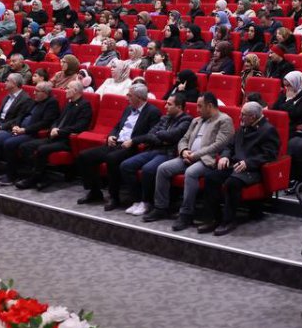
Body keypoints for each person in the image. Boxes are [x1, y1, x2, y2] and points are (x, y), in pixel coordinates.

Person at [143, 92, 234, 231]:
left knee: (191, 173)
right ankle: (160, 207)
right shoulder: (196, 120)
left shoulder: (224, 120)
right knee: (163, 168)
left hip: (207, 160)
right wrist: (183, 150)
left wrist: (195, 155)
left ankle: (186, 214)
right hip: (187, 156)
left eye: (200, 106)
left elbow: (218, 145)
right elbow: (183, 139)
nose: (196, 110)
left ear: (210, 106)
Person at [198, 101, 280, 236]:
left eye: (243, 115)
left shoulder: (268, 130)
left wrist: (249, 163)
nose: (240, 117)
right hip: (235, 165)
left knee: (232, 183)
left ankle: (228, 221)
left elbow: (269, 155)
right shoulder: (244, 126)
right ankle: (213, 217)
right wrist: (225, 156)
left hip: (253, 169)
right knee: (211, 177)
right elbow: (230, 146)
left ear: (253, 117)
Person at [118, 93, 194, 216]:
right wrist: (161, 137)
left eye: (169, 104)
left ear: (179, 107)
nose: (165, 106)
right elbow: (150, 134)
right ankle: (137, 200)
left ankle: (146, 202)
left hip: (168, 153)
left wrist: (159, 135)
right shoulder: (164, 118)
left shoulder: (187, 120)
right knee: (126, 165)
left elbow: (174, 136)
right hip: (153, 150)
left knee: (148, 169)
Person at [0, 81, 61, 186]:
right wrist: (16, 125)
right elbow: (22, 116)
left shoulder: (51, 103)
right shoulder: (35, 101)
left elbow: (45, 123)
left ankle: (11, 175)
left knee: (9, 143)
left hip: (32, 133)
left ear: (45, 93)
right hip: (19, 130)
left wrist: (25, 130)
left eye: (37, 91)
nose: (34, 93)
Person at [11, 80, 93, 190]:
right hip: (54, 136)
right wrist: (54, 127)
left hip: (66, 140)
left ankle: (33, 178)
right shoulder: (69, 103)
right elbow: (57, 119)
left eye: (68, 88)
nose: (65, 90)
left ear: (75, 91)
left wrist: (60, 131)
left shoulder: (84, 105)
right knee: (26, 146)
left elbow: (80, 126)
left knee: (42, 149)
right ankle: (40, 177)